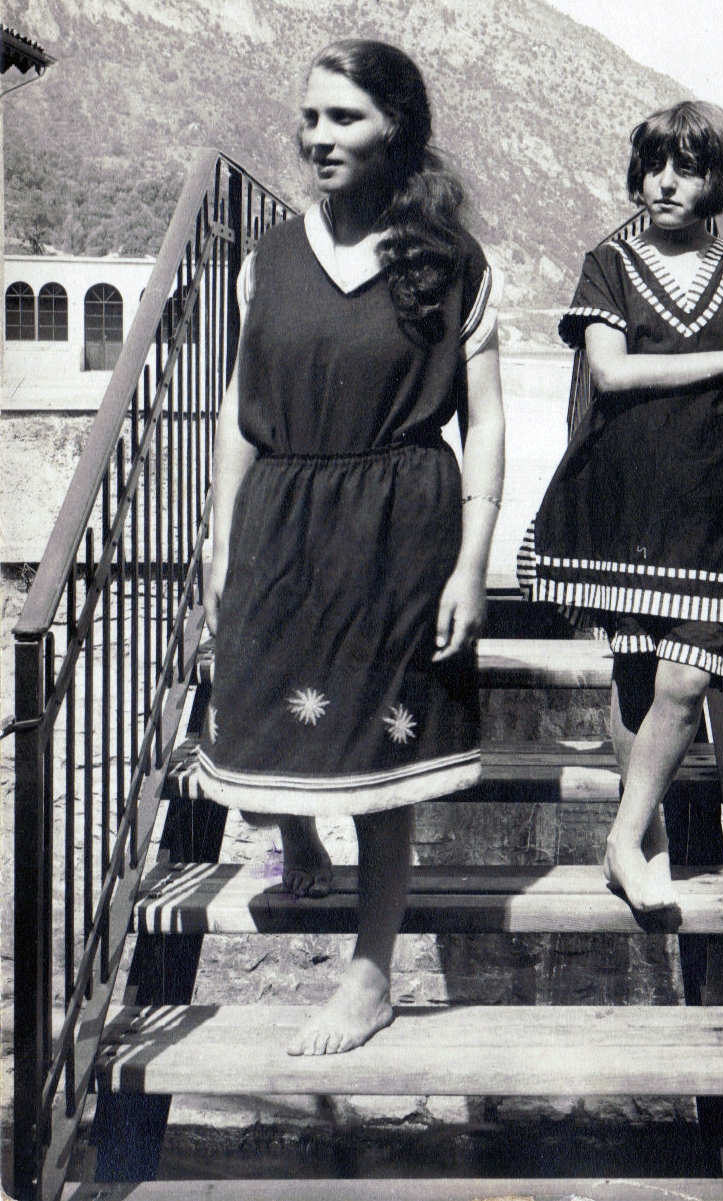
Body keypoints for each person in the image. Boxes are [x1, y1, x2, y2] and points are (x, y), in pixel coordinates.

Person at [197, 39, 505, 1053]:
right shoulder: (268, 261)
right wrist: (218, 537)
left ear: (397, 133)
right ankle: (294, 838)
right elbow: (245, 413)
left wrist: (468, 561)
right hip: (282, 514)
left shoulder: (452, 263)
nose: (317, 136)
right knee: (265, 691)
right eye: (311, 116)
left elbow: (486, 426)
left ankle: (368, 977)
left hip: (397, 524)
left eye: (344, 118)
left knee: (384, 745)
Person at [518, 100, 723, 912]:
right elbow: (611, 373)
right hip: (621, 501)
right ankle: (642, 842)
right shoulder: (609, 262)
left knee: (686, 680)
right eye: (653, 165)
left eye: (685, 167)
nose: (663, 182)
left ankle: (623, 836)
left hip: (707, 510)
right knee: (632, 672)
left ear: (718, 178)